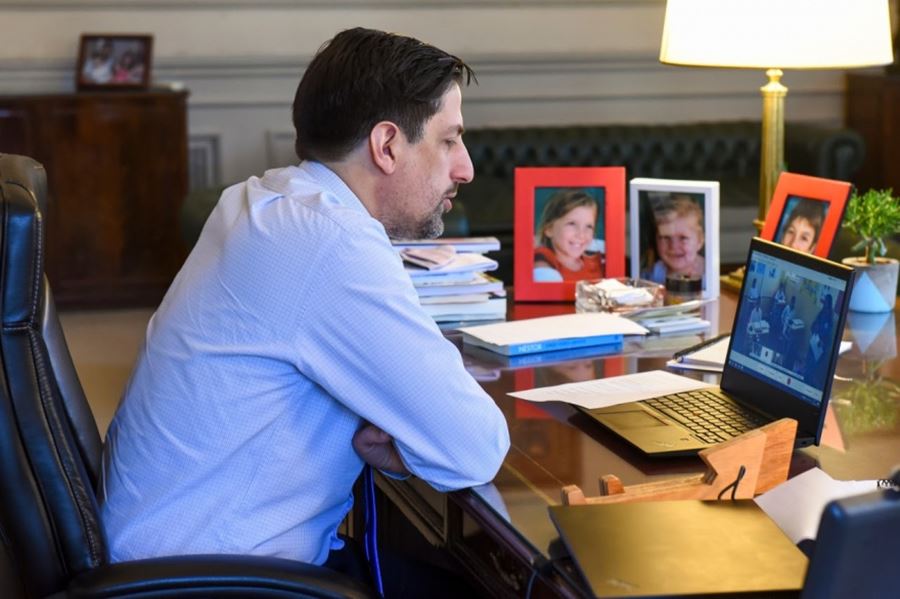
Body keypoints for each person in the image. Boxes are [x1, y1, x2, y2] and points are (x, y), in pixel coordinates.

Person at [99, 27, 510, 592]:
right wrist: (411, 443)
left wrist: (409, 431)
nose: (463, 167)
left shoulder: (261, 202)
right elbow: (475, 447)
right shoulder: (330, 243)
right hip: (217, 581)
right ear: (387, 145)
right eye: (448, 140)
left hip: (169, 554)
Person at [532, 188, 604, 282]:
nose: (581, 234)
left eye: (589, 226)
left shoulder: (598, 260)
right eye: (572, 224)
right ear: (549, 229)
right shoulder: (543, 260)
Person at [641, 194, 705, 285]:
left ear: (699, 240)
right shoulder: (651, 275)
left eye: (683, 238)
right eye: (666, 237)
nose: (673, 246)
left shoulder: (709, 274)